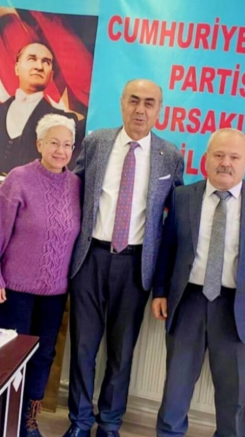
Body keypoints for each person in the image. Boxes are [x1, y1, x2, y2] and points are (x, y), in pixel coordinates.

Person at [64, 79, 184, 437]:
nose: (140, 110)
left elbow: (176, 219)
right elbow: (71, 192)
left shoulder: (169, 156)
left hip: (135, 266)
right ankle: (79, 423)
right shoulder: (97, 142)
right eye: (134, 100)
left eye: (149, 103)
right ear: (122, 103)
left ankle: (109, 425)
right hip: (90, 259)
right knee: (82, 347)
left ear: (159, 110)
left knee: (121, 352)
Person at [152, 128, 245, 437]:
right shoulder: (183, 197)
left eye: (234, 157)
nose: (226, 162)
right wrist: (160, 291)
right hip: (188, 302)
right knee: (175, 389)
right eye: (219, 155)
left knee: (232, 394)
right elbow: (167, 247)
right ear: (206, 158)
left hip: (238, 309)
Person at [0, 114, 81, 437]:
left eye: (67, 145)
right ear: (39, 144)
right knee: (10, 355)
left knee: (43, 356)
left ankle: (27, 421)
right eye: (54, 143)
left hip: (55, 293)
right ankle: (1, 417)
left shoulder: (76, 185)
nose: (60, 150)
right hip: (15, 290)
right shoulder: (19, 179)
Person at [0, 42, 83, 176]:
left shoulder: (63, 122)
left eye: (46, 62)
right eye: (32, 59)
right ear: (17, 68)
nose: (39, 67)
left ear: (51, 75)